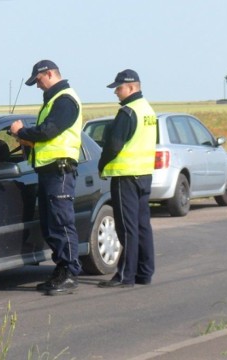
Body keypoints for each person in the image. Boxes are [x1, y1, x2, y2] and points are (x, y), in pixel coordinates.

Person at [9, 60, 83, 295]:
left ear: (50, 74)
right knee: (51, 224)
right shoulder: (54, 100)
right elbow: (46, 138)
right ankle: (61, 270)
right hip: (49, 170)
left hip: (59, 171)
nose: (38, 86)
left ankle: (70, 272)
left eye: (39, 81)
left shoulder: (64, 100)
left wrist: (21, 132)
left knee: (61, 223)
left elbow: (48, 131)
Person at [97, 69, 157, 288]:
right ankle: (145, 272)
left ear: (132, 87)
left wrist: (102, 163)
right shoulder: (148, 110)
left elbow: (114, 145)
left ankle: (126, 275)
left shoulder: (128, 112)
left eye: (118, 88)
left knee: (126, 227)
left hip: (125, 176)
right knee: (142, 226)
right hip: (144, 174)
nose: (116, 93)